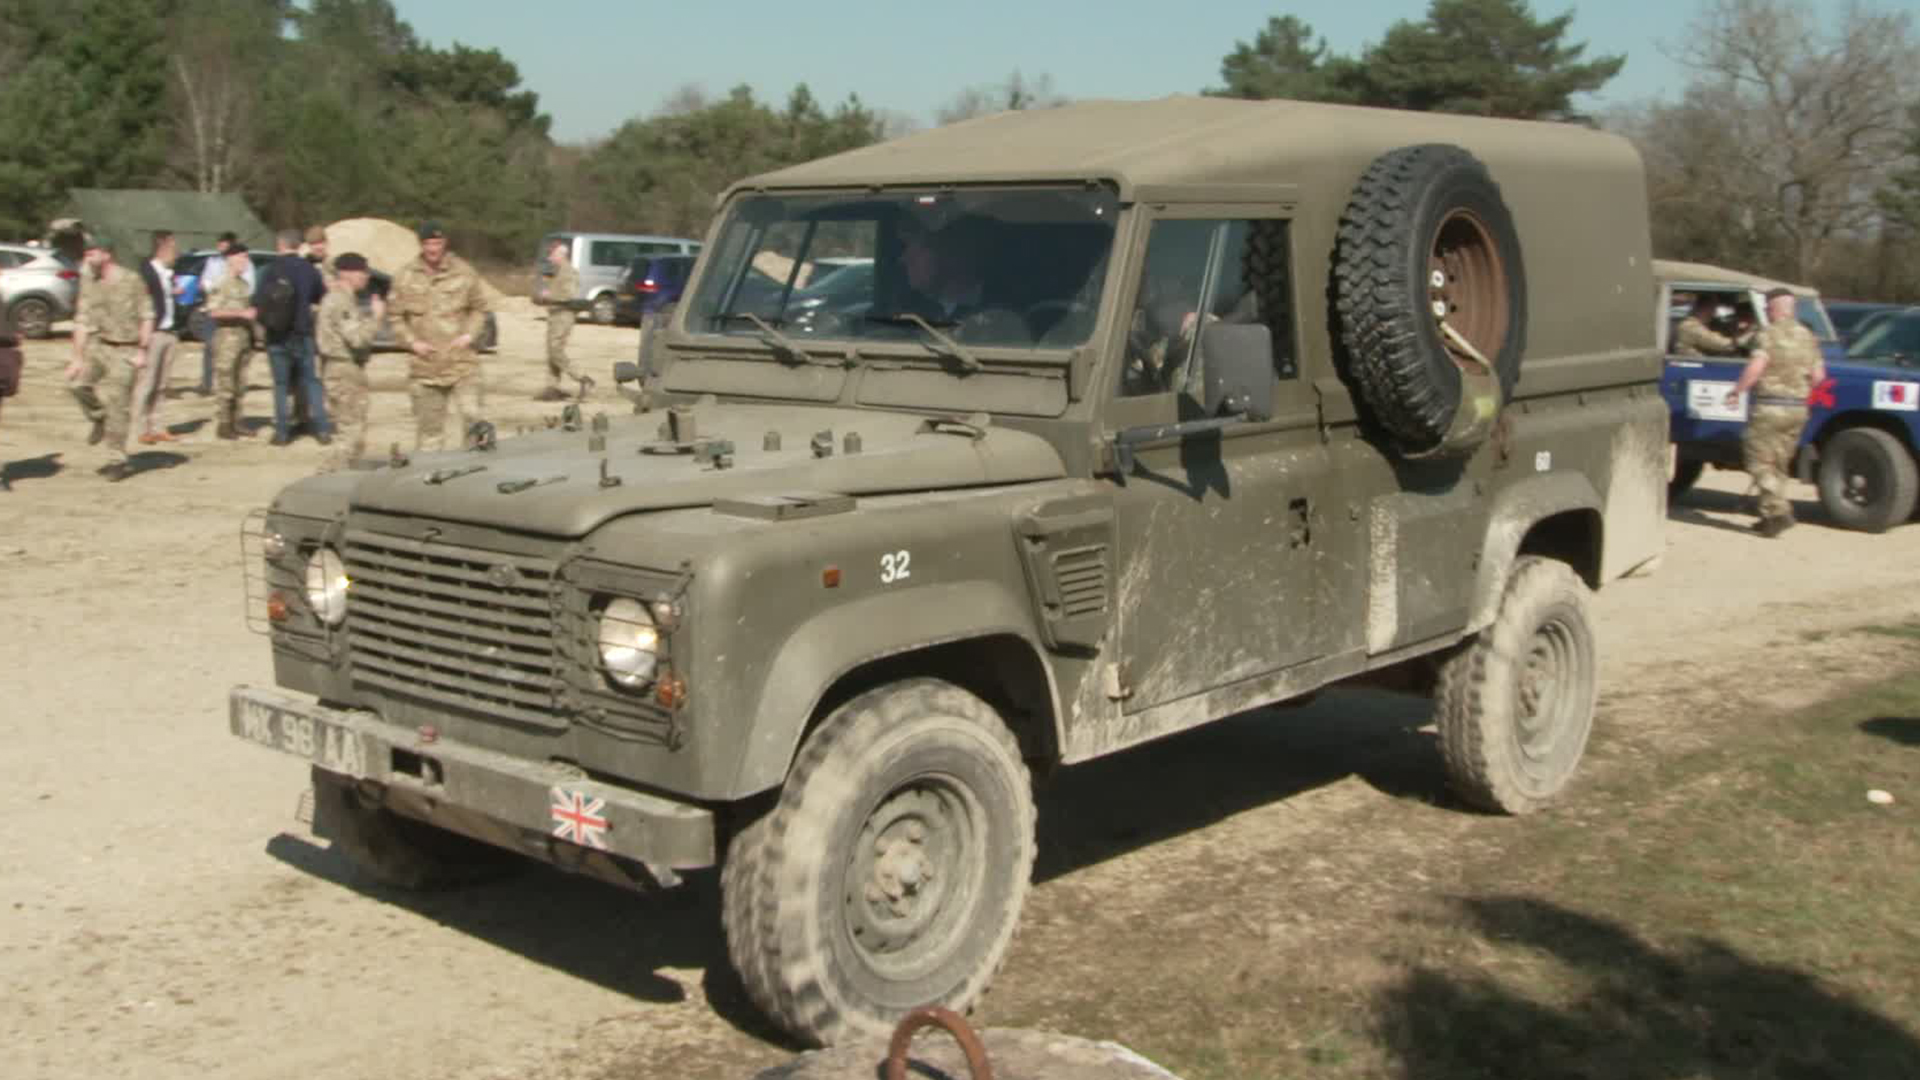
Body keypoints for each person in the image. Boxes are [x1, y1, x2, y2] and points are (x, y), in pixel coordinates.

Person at [1725, 286, 1824, 537]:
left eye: (1768, 308)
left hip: (1770, 406)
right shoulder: (1808, 336)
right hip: (1797, 409)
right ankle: (1769, 513)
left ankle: (1778, 513)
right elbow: (1819, 377)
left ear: (1771, 309)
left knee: (1758, 461)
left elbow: (1757, 367)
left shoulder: (1767, 334)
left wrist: (1738, 390)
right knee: (1779, 463)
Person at [389, 221, 490, 453]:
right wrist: (412, 342)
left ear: (445, 243)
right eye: (428, 243)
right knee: (429, 436)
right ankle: (428, 482)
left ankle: (472, 477)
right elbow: (395, 316)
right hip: (426, 369)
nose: (433, 249)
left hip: (462, 365)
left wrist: (469, 335)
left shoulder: (464, 272)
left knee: (474, 423)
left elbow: (480, 308)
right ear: (421, 244)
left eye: (437, 242)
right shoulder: (405, 276)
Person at [63, 236, 154, 481]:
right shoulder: (89, 280)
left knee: (118, 406)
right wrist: (77, 358)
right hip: (99, 346)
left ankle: (118, 460)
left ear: (107, 254)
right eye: (86, 253)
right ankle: (98, 417)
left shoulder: (131, 280)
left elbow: (147, 315)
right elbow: (81, 320)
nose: (87, 257)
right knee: (75, 384)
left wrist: (142, 352)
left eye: (92, 252)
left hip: (126, 349)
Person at [253, 228, 330, 446]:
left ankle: (282, 432)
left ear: (280, 245)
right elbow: (320, 296)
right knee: (311, 382)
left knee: (280, 385)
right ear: (299, 246)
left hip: (277, 337)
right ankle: (322, 429)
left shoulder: (270, 270)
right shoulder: (309, 270)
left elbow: (258, 302)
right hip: (302, 334)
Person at [315, 252, 382, 471]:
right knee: (351, 435)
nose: (366, 277)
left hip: (339, 369)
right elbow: (357, 338)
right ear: (346, 273)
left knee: (350, 432)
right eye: (362, 272)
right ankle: (328, 477)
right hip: (344, 370)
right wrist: (376, 316)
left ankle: (335, 477)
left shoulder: (338, 298)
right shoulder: (341, 301)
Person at [132, 230, 182, 444]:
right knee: (147, 383)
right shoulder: (147, 271)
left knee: (162, 384)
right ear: (162, 245)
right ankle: (140, 428)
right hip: (153, 332)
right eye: (173, 245)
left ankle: (158, 426)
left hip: (169, 331)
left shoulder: (168, 272)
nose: (176, 250)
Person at [206, 244, 258, 440]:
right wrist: (241, 314)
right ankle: (224, 424)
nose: (245, 262)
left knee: (240, 383)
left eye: (246, 258)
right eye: (241, 258)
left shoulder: (244, 285)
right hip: (226, 340)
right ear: (230, 259)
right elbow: (214, 312)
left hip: (243, 339)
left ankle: (237, 421)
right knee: (226, 383)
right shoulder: (221, 283)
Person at [197, 231, 251, 395]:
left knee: (237, 379)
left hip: (240, 328)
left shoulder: (245, 272)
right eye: (219, 243)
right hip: (221, 319)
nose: (221, 247)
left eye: (224, 244)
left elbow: (249, 288)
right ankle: (207, 382)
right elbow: (206, 285)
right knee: (210, 348)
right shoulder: (213, 263)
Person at [533, 237, 585, 401]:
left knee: (555, 351)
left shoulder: (569, 272)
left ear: (561, 254)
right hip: (555, 314)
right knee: (551, 352)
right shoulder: (556, 271)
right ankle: (552, 388)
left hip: (564, 315)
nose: (550, 258)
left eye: (552, 254)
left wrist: (549, 295)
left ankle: (582, 378)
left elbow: (569, 295)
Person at [1673, 294, 1747, 357]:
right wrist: (1747, 337)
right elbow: (1720, 344)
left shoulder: (1705, 324)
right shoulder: (1689, 326)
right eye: (1713, 307)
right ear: (1704, 307)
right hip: (1690, 367)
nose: (1714, 312)